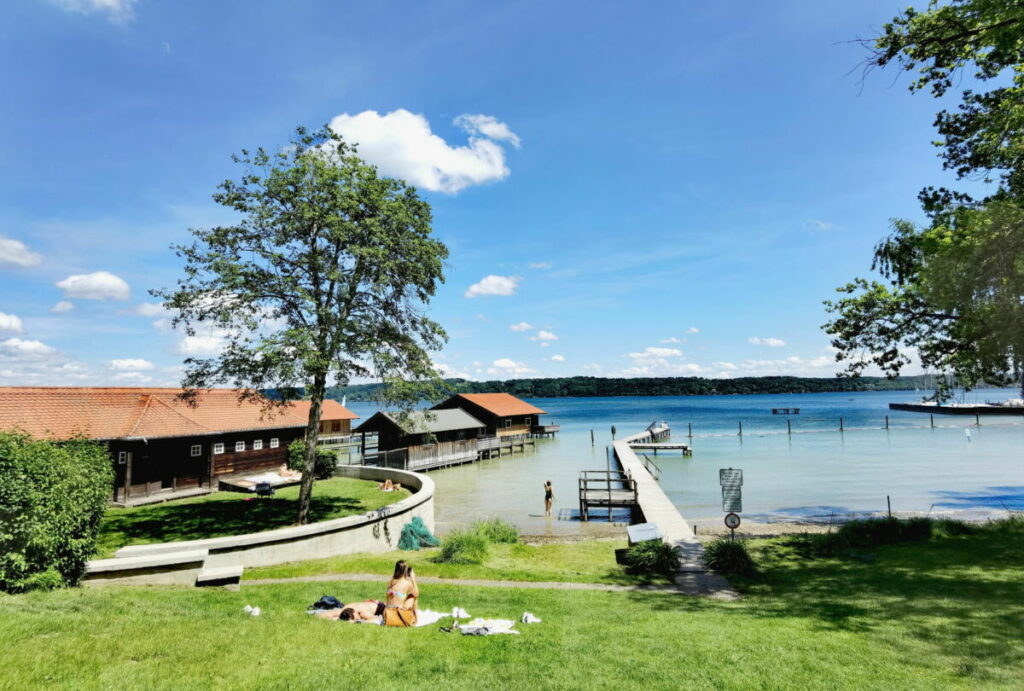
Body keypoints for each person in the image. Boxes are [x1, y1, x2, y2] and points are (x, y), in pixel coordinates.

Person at [317, 599, 385, 623]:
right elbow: (320, 615)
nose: (358, 619)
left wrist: (355, 622)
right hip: (369, 603)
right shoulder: (343, 610)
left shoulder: (362, 612)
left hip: (380, 606)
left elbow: (375, 620)